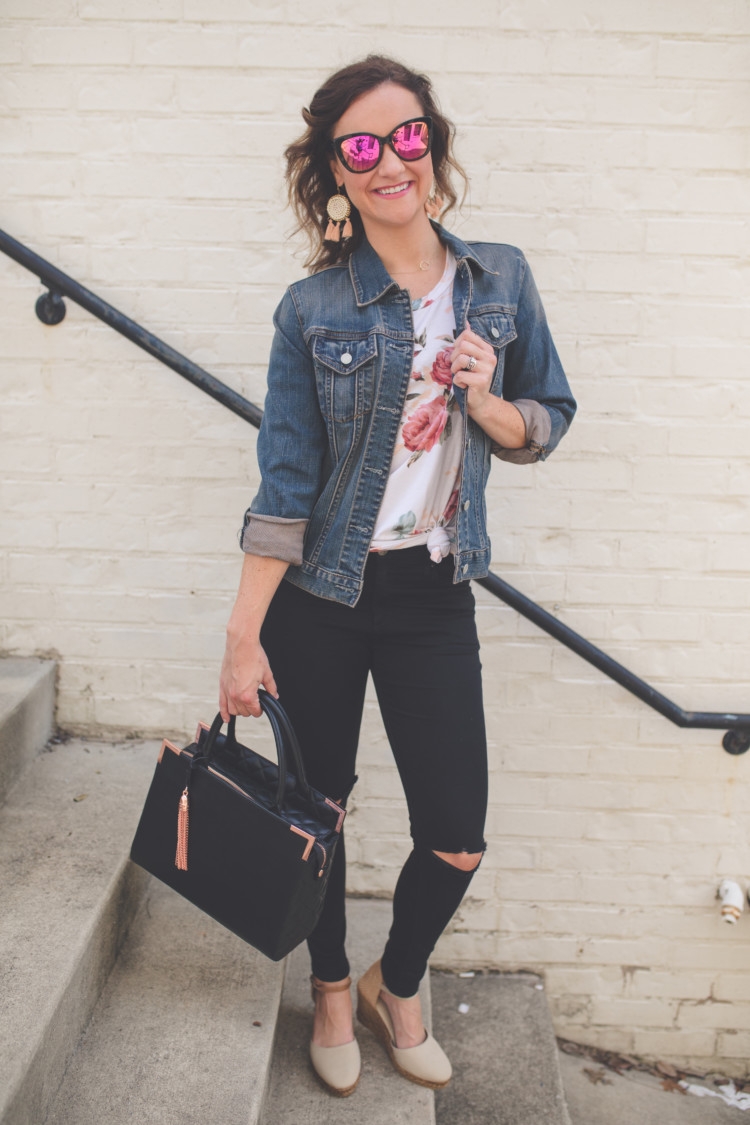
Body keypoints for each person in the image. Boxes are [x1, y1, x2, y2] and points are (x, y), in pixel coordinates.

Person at [219, 55, 576, 1097]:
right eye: (363, 147)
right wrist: (244, 637)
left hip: (433, 595)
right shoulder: (311, 309)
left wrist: (487, 401)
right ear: (337, 169)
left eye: (407, 134)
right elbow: (284, 482)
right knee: (316, 816)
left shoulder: (499, 280)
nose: (390, 162)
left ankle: (396, 982)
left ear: (434, 140)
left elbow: (545, 418)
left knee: (456, 835)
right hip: (322, 599)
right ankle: (331, 988)